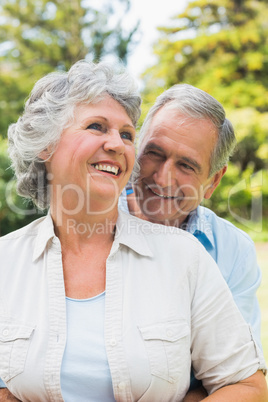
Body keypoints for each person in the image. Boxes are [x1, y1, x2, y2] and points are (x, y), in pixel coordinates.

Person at [0, 61, 267, 402]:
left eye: (127, 134)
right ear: (45, 144)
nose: (117, 143)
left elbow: (243, 383)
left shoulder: (191, 255)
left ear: (213, 181)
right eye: (97, 126)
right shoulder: (7, 261)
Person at [118, 83, 265, 399]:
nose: (162, 178)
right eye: (154, 153)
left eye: (186, 165)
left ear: (212, 181)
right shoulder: (89, 222)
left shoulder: (232, 250)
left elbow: (238, 384)